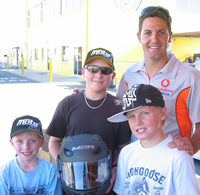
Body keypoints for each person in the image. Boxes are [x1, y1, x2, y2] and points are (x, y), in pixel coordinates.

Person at [116, 6, 200, 156]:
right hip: (136, 160)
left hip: (172, 163)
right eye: (148, 33)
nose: (154, 39)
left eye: (161, 32)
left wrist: (192, 145)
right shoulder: (129, 74)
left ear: (169, 36)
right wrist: (84, 96)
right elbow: (117, 112)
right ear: (139, 37)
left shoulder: (190, 77)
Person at [45, 47, 131, 194]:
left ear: (113, 75)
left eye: (106, 70)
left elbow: (123, 146)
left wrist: (115, 166)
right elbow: (54, 141)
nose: (99, 74)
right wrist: (61, 163)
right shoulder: (68, 104)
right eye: (93, 69)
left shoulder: (119, 108)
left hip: (104, 184)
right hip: (72, 182)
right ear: (84, 72)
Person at [108, 84, 200, 195]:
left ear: (163, 113)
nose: (137, 122)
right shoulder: (126, 153)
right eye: (131, 116)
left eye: (144, 113)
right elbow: (121, 191)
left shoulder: (179, 157)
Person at [0, 115, 62, 195]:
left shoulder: (50, 171)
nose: (26, 147)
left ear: (41, 143)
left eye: (32, 141)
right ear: (12, 143)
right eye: (20, 141)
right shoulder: (4, 173)